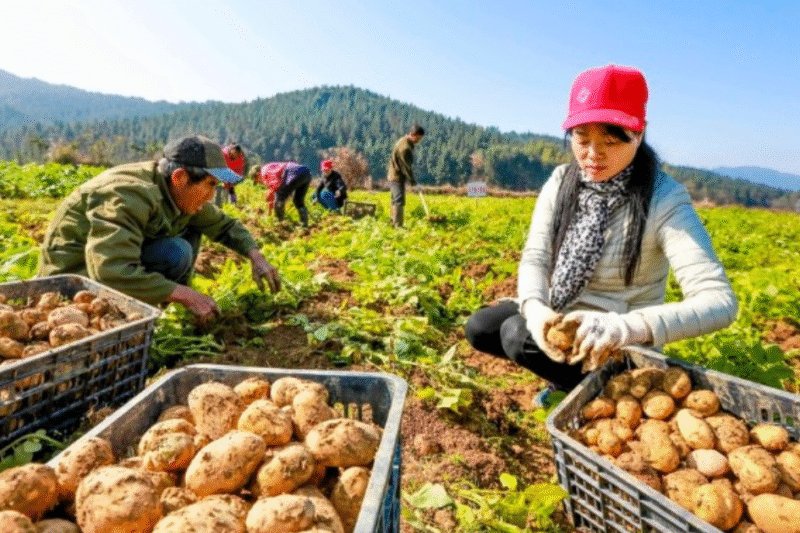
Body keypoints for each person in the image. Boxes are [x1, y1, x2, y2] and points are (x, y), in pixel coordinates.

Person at [464, 64, 737, 406]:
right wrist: (536, 310)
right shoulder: (562, 180)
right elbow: (537, 256)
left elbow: (719, 302)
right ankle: (569, 376)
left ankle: (601, 388)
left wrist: (624, 328)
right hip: (564, 313)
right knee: (482, 327)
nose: (593, 155)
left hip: (616, 336)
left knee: (516, 336)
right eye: (582, 139)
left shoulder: (664, 199)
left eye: (610, 141)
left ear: (639, 133)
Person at [39, 135, 281, 322]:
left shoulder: (179, 193)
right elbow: (111, 270)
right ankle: (136, 315)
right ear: (180, 178)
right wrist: (185, 294)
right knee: (176, 250)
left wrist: (256, 256)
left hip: (107, 270)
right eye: (210, 185)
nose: (211, 196)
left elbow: (224, 225)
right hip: (74, 282)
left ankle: (154, 309)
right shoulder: (128, 194)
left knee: (189, 232)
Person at [387, 124, 424, 227]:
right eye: (419, 138)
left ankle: (392, 224)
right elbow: (406, 167)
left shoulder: (403, 141)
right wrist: (413, 183)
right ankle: (398, 226)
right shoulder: (405, 148)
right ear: (414, 135)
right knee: (399, 200)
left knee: (395, 200)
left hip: (393, 175)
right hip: (396, 176)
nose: (419, 140)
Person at [259, 161, 312, 227]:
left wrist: (270, 206)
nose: (259, 183)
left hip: (294, 173)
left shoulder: (264, 173)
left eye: (256, 181)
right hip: (306, 173)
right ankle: (304, 225)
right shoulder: (269, 167)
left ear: (257, 174)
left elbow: (276, 187)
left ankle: (280, 224)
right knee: (298, 201)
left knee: (280, 198)